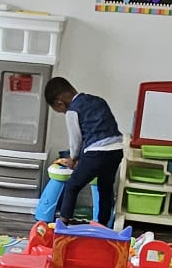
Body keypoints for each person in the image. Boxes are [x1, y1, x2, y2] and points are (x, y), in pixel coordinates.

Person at [44, 77, 123, 227]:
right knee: (105, 188)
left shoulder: (72, 111)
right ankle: (102, 225)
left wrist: (73, 158)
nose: (63, 113)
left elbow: (76, 140)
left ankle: (63, 224)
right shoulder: (99, 101)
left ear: (60, 103)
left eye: (60, 111)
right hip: (116, 150)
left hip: (96, 153)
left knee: (73, 185)